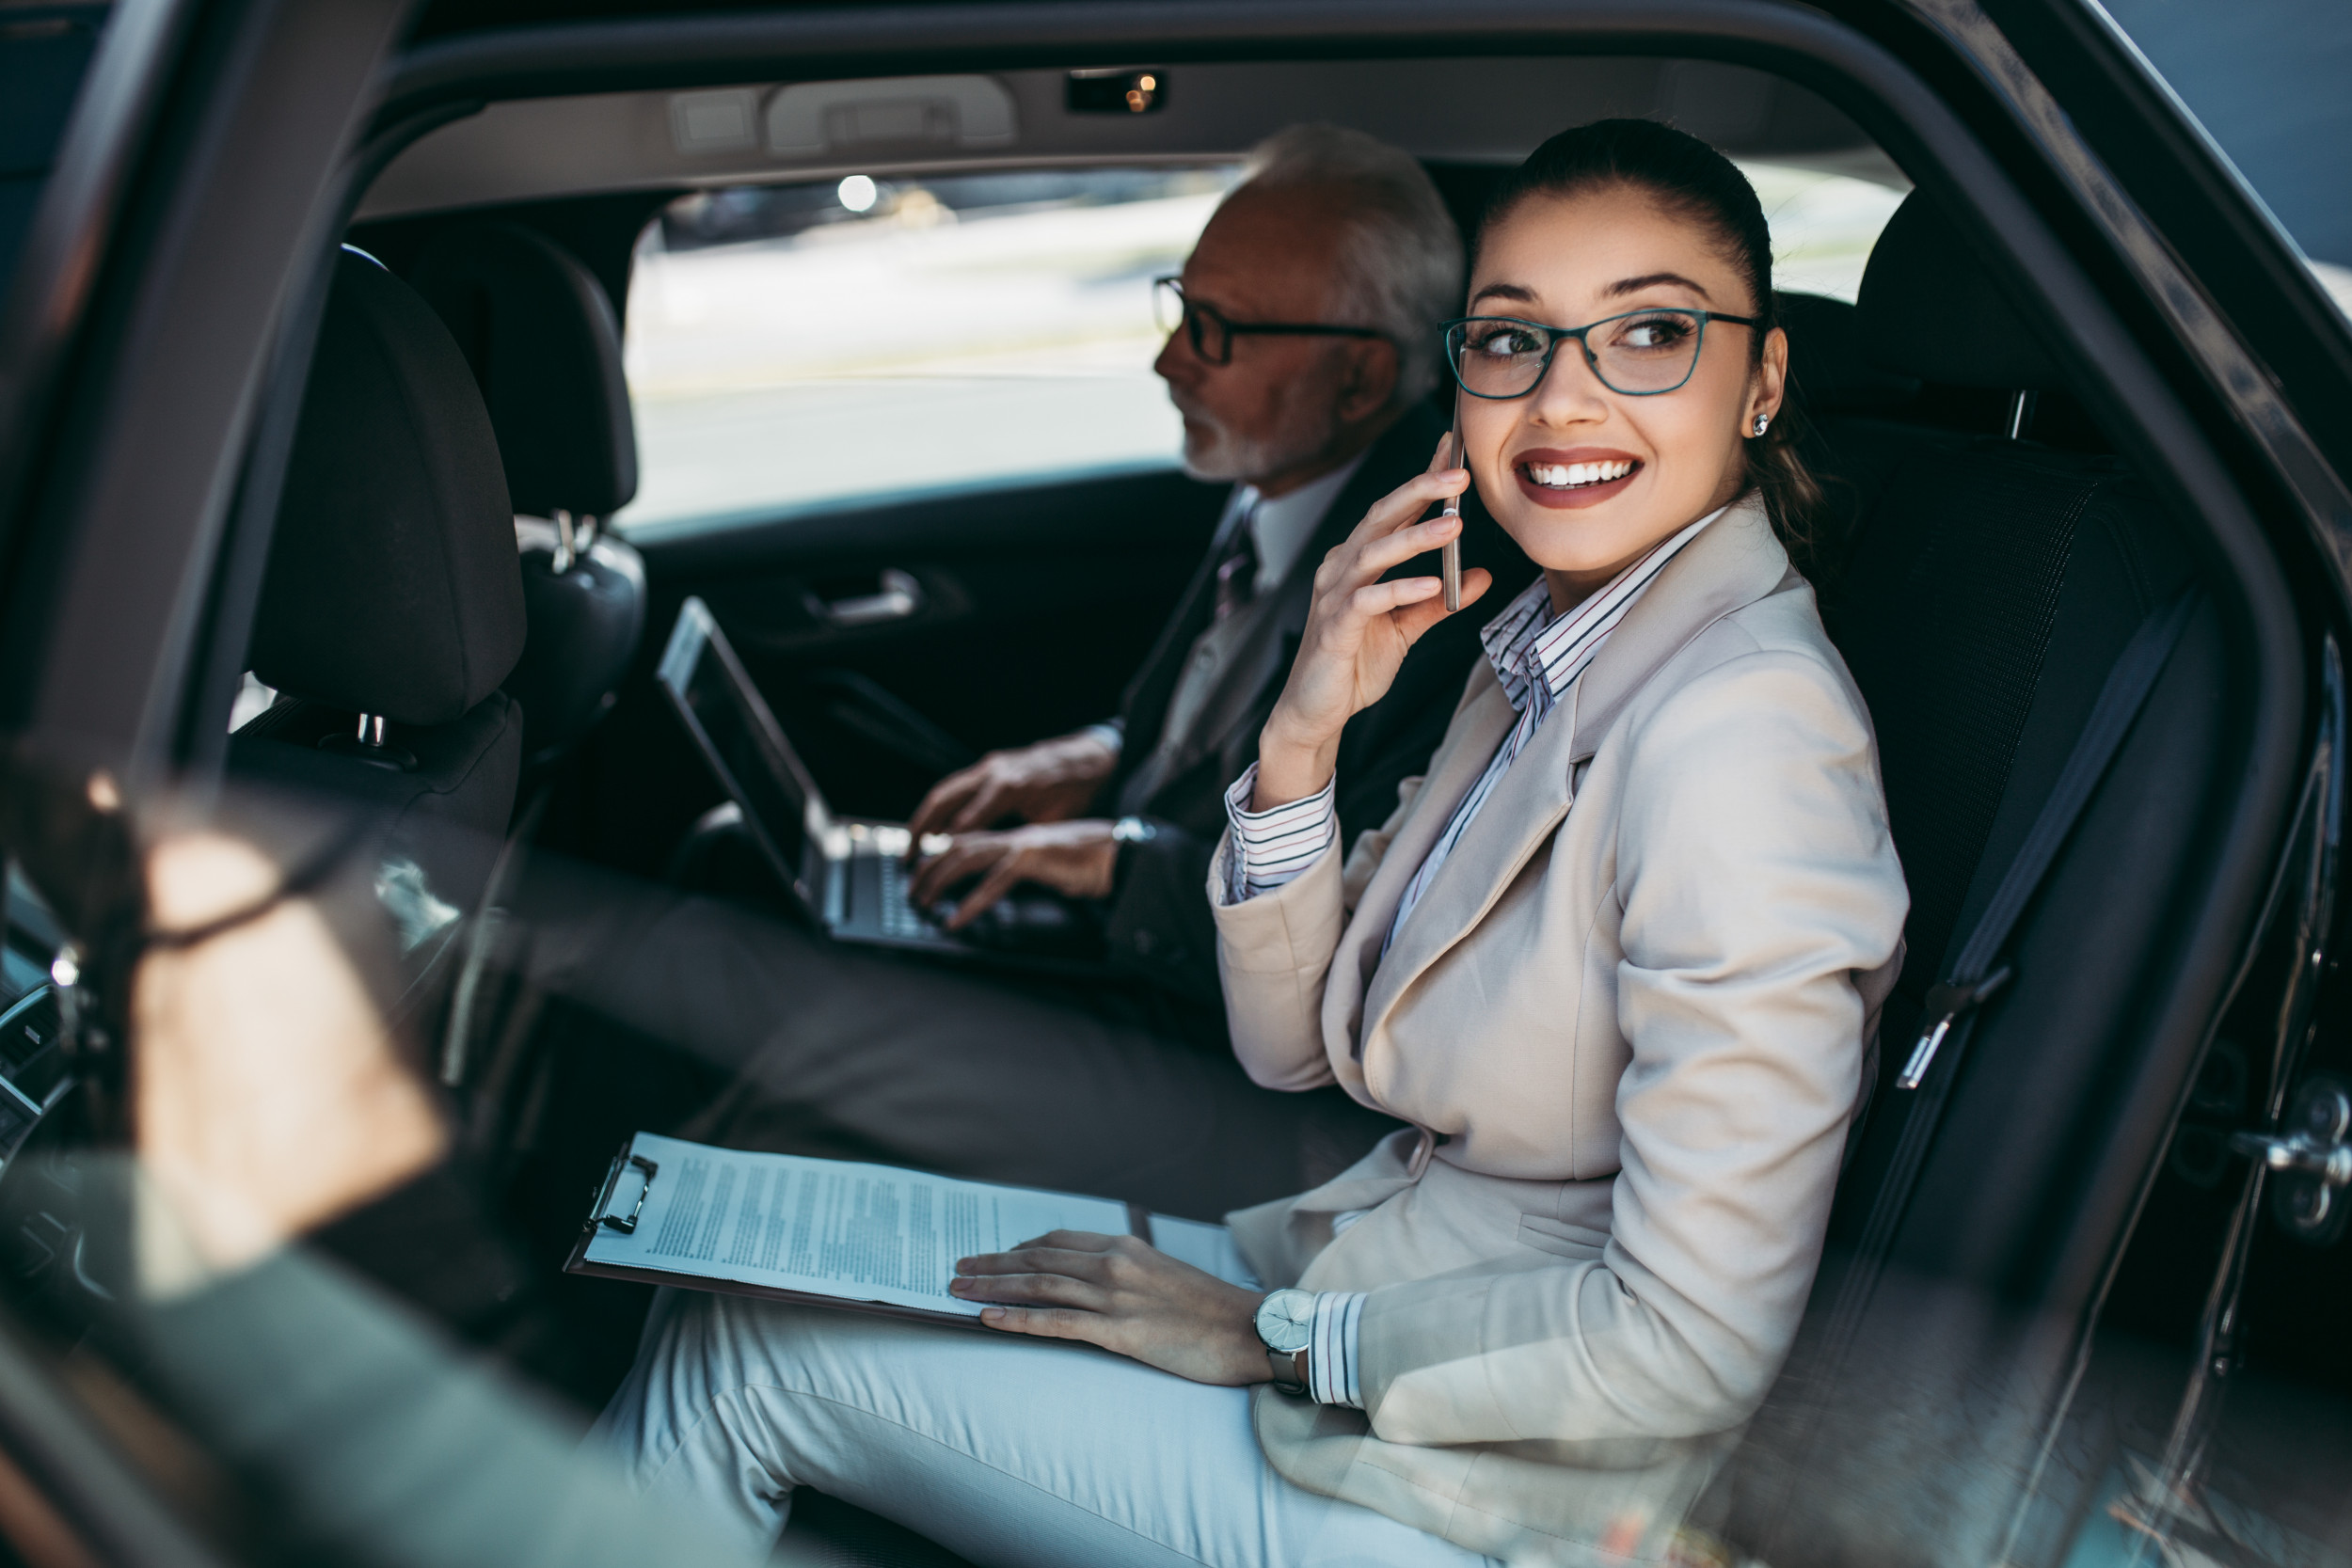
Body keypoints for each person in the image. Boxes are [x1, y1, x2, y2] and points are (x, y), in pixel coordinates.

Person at [597, 119, 1910, 1567]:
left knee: (746, 1348)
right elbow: (1294, 1043)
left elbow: (1686, 1346)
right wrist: (1301, 733)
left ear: (1762, 379)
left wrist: (1276, 1336)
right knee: (731, 1260)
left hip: (1511, 1477)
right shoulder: (1543, 649)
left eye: (1649, 333)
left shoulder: (1744, 736)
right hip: (1359, 1286)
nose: (1562, 400)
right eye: (1513, 340)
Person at [522, 123, 1530, 1220]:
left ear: (1360, 375)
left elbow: (1368, 944)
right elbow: (1214, 708)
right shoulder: (1281, 486)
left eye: (1216, 330)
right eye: (1176, 306)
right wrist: (1098, 752)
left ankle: (530, 1312)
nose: (1167, 361)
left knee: (693, 963)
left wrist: (1115, 860)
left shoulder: (1433, 586)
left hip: (1210, 1056)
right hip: (1140, 960)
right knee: (726, 858)